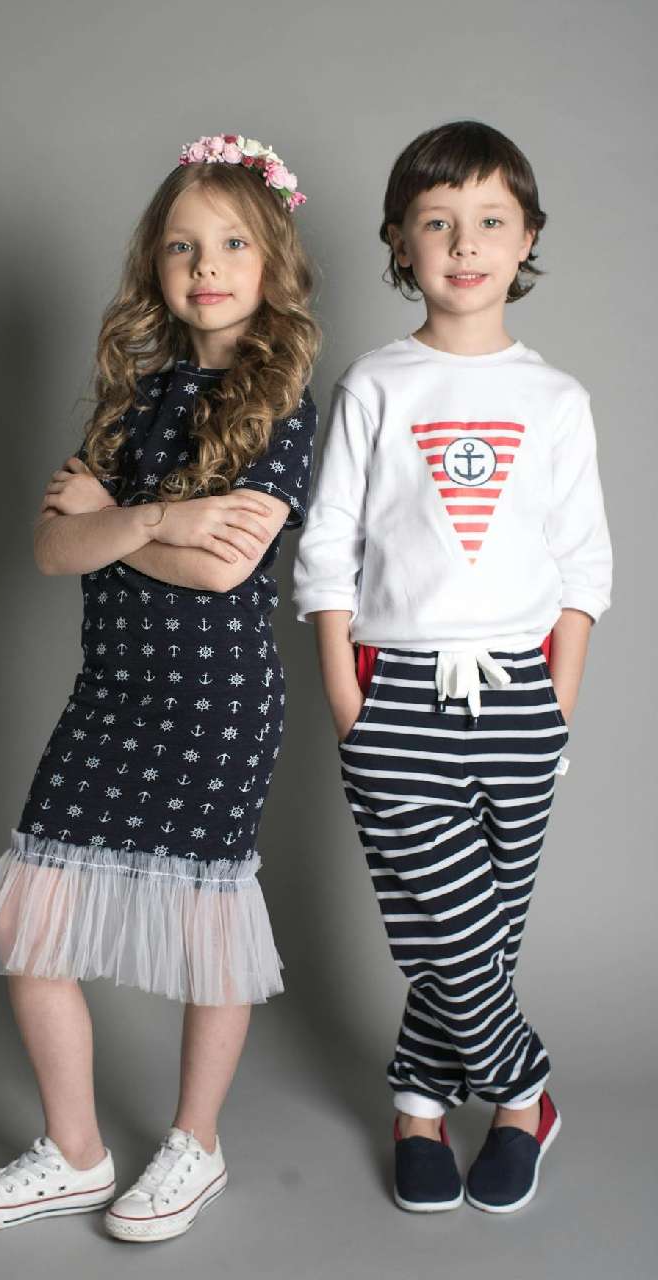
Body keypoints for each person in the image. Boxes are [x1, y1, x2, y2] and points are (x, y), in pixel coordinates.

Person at [0, 133, 319, 1243]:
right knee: (34, 926)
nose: (207, 266)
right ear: (155, 265)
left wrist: (112, 524)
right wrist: (157, 516)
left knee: (209, 931)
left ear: (270, 258)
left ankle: (195, 1143)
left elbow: (226, 567)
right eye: (181, 246)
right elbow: (52, 547)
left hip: (218, 704)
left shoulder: (285, 400)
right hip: (109, 696)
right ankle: (73, 1150)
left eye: (232, 243)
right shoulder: (129, 400)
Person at [293, 120, 611, 1215]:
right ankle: (524, 1091)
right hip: (396, 693)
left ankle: (420, 1104)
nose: (464, 243)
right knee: (446, 921)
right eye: (437, 222)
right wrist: (349, 698)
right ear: (399, 240)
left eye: (489, 220)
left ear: (527, 239)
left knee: (483, 932)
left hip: (520, 694)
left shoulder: (556, 400)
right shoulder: (377, 385)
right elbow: (326, 551)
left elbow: (584, 567)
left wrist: (556, 705)